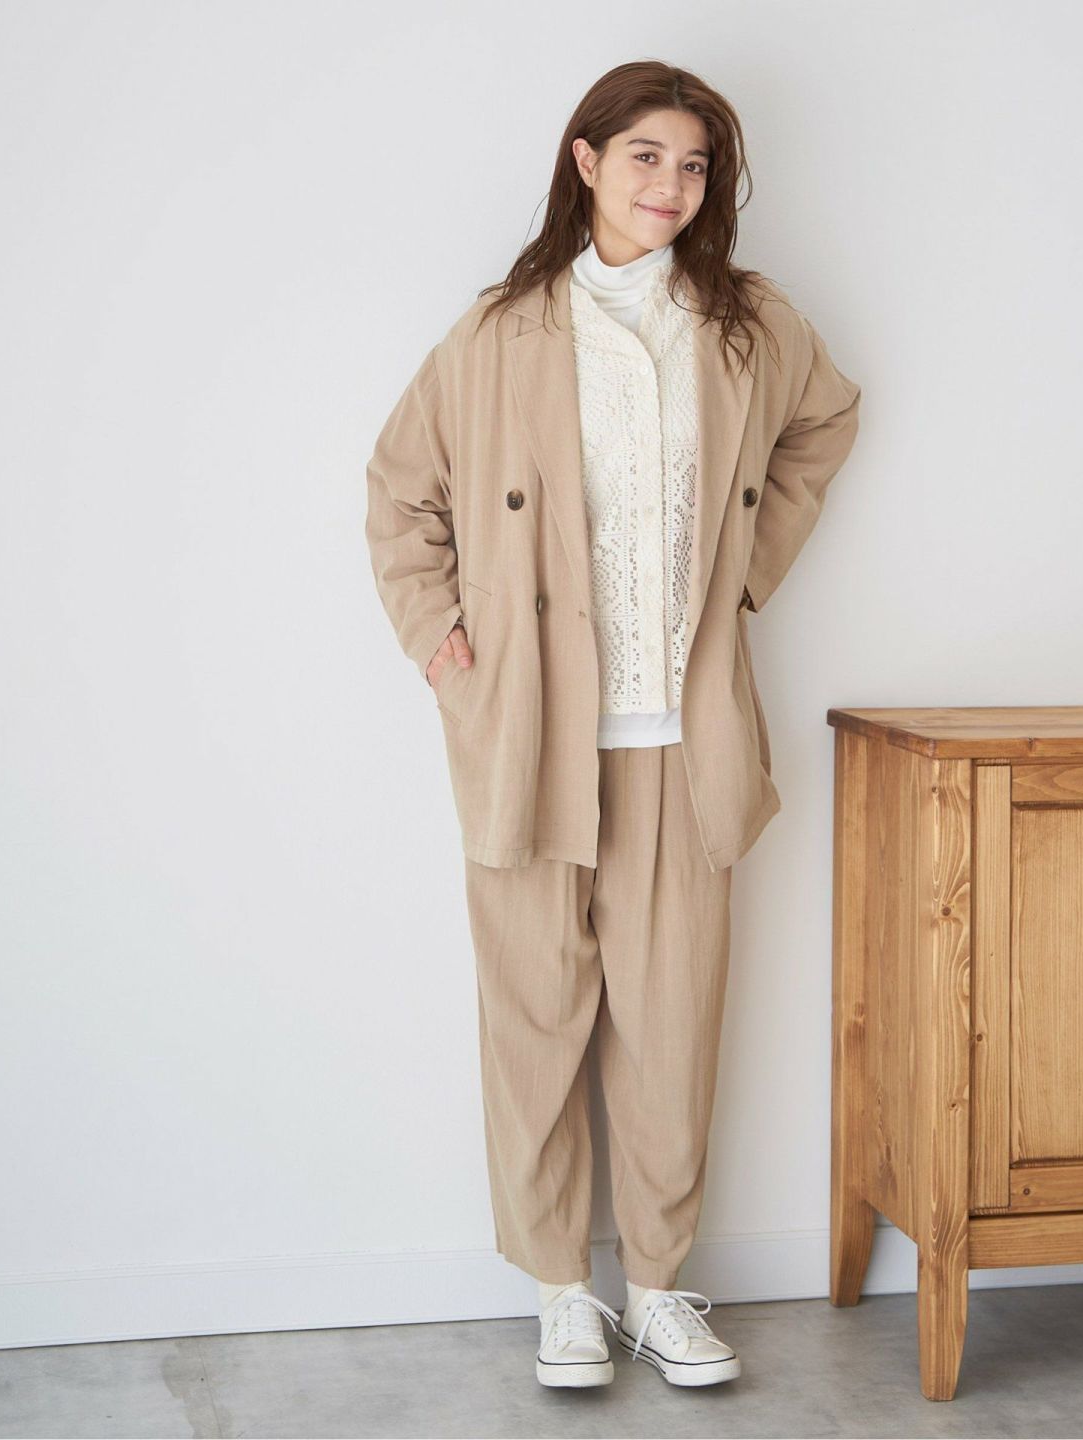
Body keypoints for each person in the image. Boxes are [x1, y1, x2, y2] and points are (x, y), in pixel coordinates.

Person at [365, 59, 862, 1389]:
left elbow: (827, 422)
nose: (672, 185)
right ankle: (558, 1294)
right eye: (647, 156)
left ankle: (657, 1287)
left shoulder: (748, 326)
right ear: (585, 161)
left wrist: (747, 569)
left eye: (695, 165)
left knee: (672, 1029)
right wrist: (442, 643)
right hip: (532, 738)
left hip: (683, 744)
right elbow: (400, 492)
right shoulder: (498, 334)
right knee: (534, 1024)